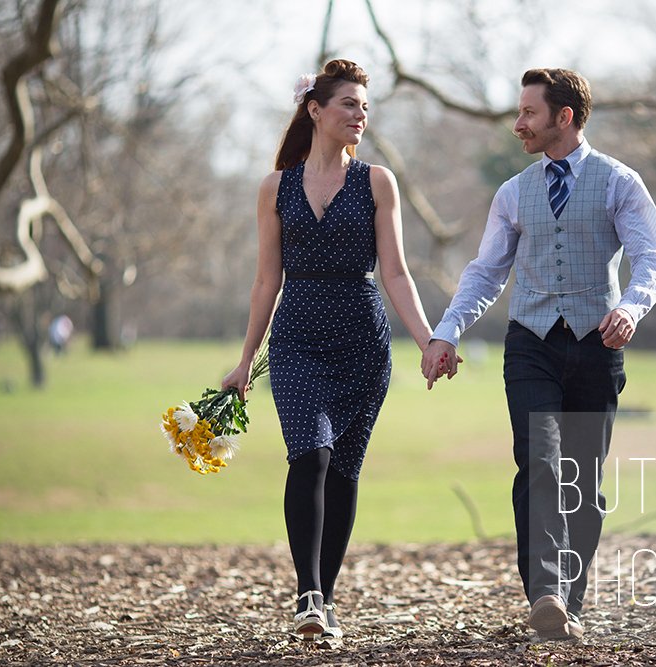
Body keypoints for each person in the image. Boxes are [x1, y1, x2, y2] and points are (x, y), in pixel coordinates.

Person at [422, 68, 656, 640]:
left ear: (565, 117)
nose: (518, 124)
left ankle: (569, 605)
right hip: (530, 343)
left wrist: (631, 308)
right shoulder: (512, 193)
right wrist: (447, 330)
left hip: (597, 344)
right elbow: (486, 271)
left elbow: (650, 256)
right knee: (539, 461)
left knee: (584, 479)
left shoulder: (618, 183)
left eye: (529, 113)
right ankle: (546, 592)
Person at [222, 59, 437, 641]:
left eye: (365, 107)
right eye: (348, 104)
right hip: (295, 341)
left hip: (362, 343)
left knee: (342, 470)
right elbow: (266, 280)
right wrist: (246, 361)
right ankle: (307, 592)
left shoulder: (377, 182)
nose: (359, 115)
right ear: (315, 110)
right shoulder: (276, 188)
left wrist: (427, 339)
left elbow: (395, 273)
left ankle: (327, 601)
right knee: (309, 456)